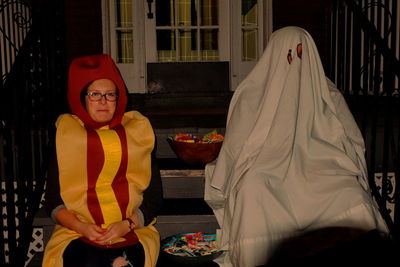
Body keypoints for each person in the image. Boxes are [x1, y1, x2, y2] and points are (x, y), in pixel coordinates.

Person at [204, 26, 389, 267]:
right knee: (252, 190)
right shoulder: (252, 93)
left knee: (350, 194)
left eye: (302, 55)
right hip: (265, 167)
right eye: (289, 55)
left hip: (320, 167)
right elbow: (236, 145)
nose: (295, 63)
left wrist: (340, 158)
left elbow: (351, 139)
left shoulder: (328, 93)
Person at [42, 54, 163, 267]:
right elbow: (53, 200)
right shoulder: (67, 135)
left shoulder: (137, 132)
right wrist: (83, 228)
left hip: (131, 228)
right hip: (77, 230)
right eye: (95, 94)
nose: (103, 102)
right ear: (82, 99)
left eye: (110, 95)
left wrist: (125, 225)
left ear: (119, 98)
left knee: (122, 262)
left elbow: (154, 198)